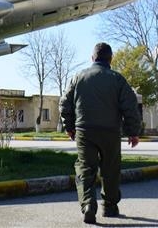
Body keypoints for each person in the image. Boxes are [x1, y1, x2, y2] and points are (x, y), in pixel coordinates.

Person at [59, 42, 142, 225]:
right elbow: (130, 107)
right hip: (110, 132)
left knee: (85, 169)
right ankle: (110, 207)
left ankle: (88, 205)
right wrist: (133, 132)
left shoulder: (78, 77)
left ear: (92, 58)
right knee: (110, 170)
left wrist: (69, 127)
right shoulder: (117, 79)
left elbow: (65, 103)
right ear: (111, 59)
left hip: (84, 131)